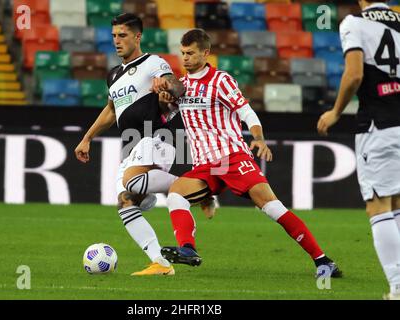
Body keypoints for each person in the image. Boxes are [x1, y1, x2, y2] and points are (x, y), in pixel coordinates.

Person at [156, 29, 342, 278]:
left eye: (190, 53)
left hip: (232, 157)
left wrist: (258, 139)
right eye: (182, 53)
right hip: (206, 165)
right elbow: (166, 115)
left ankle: (323, 260)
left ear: (206, 53)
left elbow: (246, 112)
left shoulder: (221, 80)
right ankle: (188, 250)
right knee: (176, 193)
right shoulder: (183, 86)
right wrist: (163, 99)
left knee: (273, 208)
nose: (185, 58)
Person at [75, 13, 187, 276]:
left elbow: (177, 88)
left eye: (122, 35)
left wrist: (166, 85)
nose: (117, 40)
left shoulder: (153, 63)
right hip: (132, 147)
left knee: (132, 186)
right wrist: (87, 138)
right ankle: (161, 263)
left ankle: (194, 186)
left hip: (155, 136)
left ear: (137, 37)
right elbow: (111, 111)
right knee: (126, 201)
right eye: (114, 35)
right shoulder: (113, 76)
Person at [317, 0, 400, 299]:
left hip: (378, 125)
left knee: (377, 205)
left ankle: (397, 286)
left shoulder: (354, 22)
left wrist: (337, 111)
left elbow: (354, 75)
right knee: (397, 204)